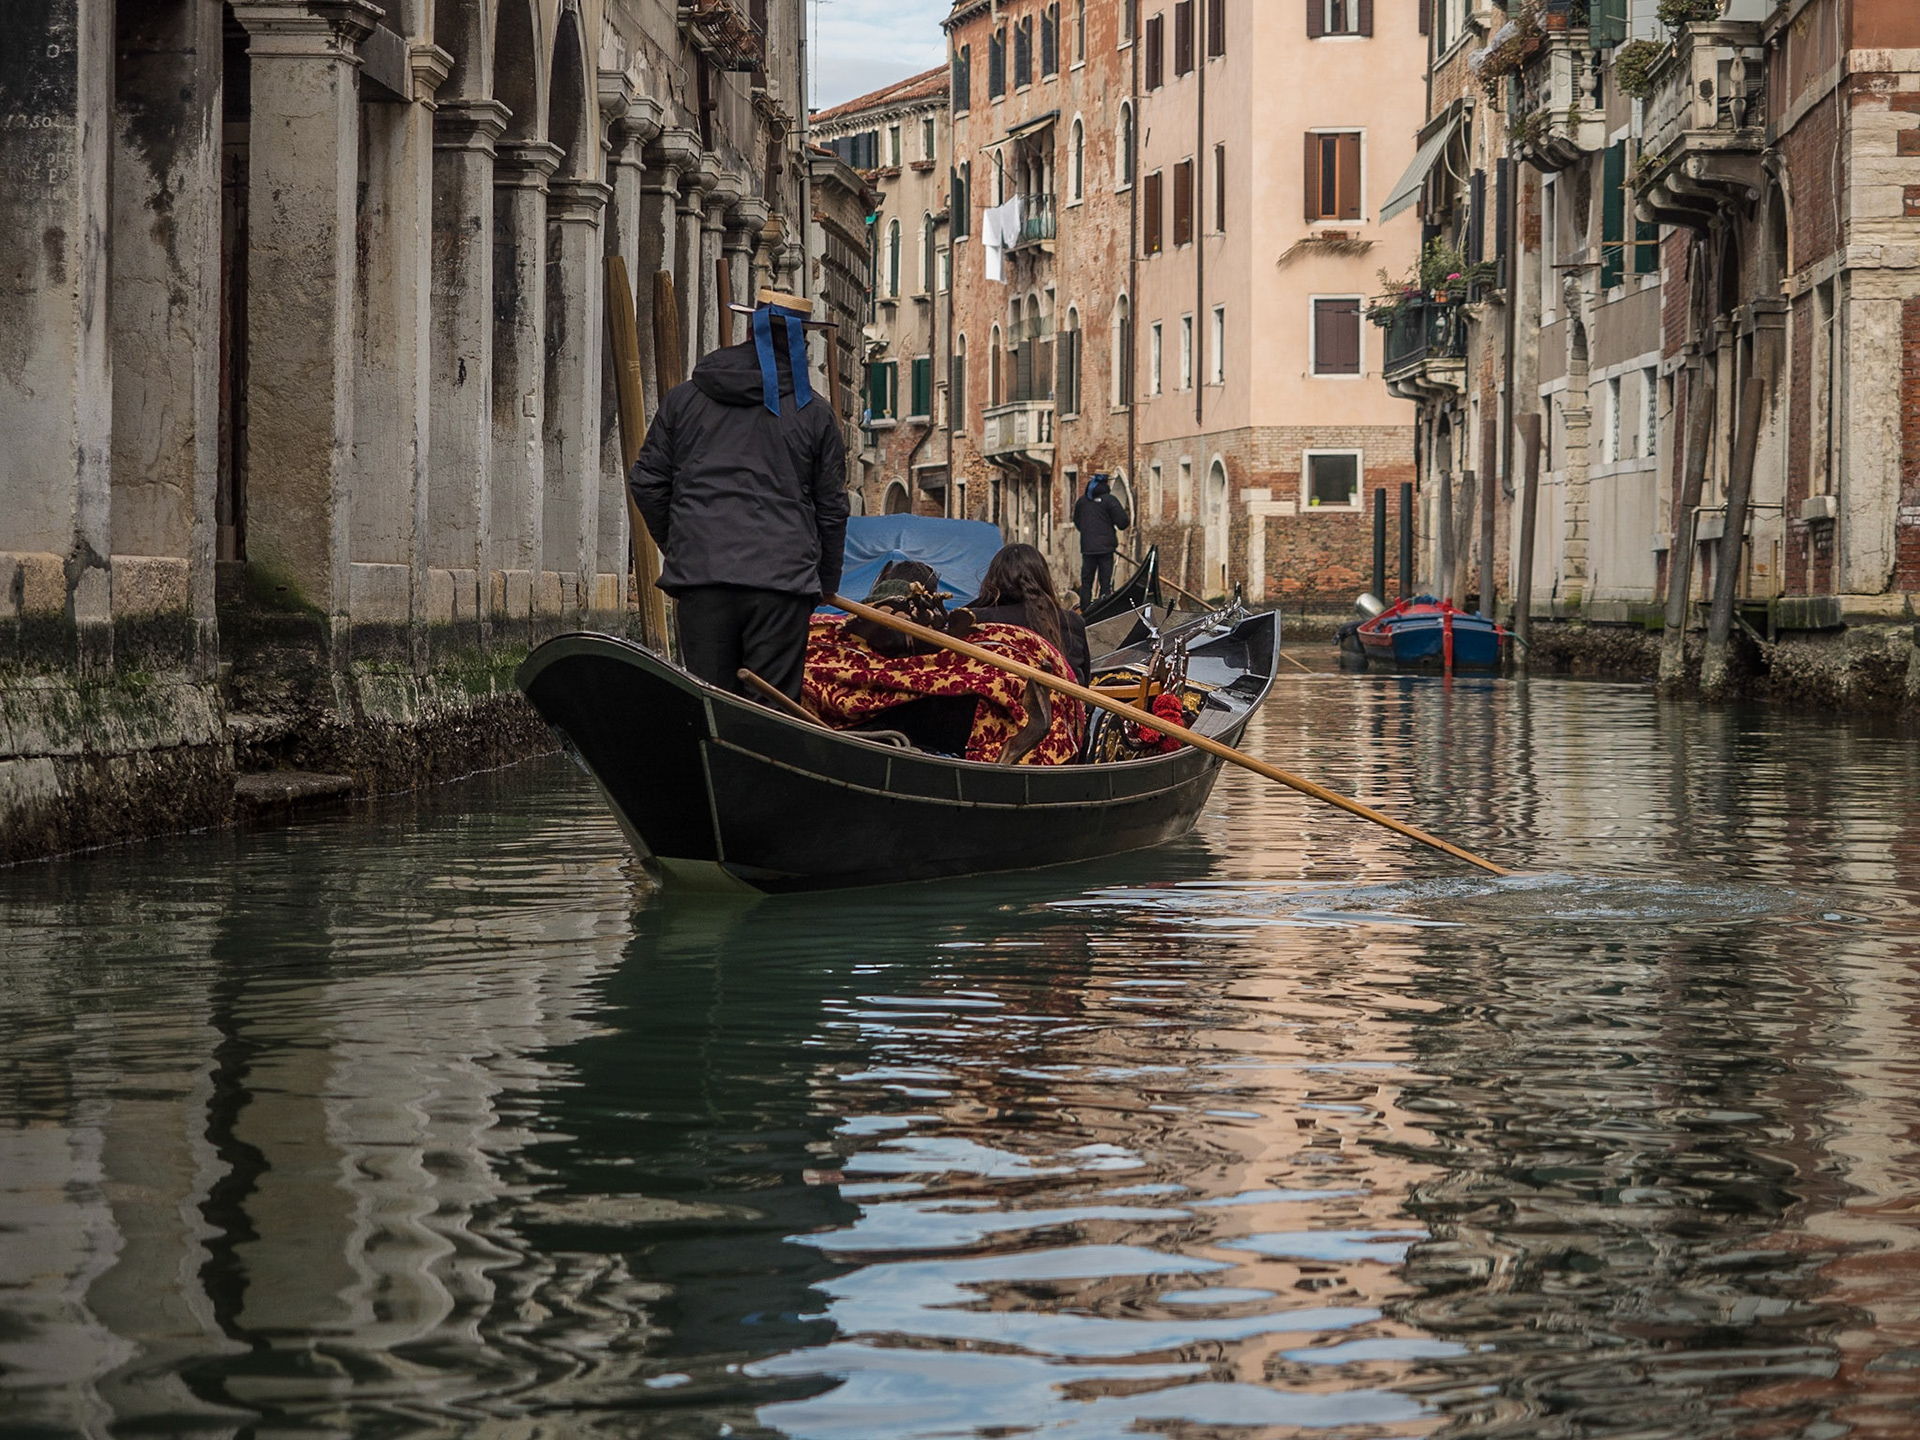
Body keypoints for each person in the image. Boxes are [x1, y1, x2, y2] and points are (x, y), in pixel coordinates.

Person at [631, 289, 848, 700]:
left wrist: (683, 544)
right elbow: (832, 507)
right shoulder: (815, 413)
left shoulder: (683, 399)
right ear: (800, 342)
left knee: (710, 700)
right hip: (782, 585)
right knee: (769, 707)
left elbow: (647, 482)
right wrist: (826, 581)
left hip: (703, 577)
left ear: (751, 331)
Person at [966, 543, 1092, 684]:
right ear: (1043, 579)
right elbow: (1084, 686)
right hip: (1065, 698)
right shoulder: (1072, 622)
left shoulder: (973, 619)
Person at [1071, 472, 1131, 605]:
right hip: (1106, 548)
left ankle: (1085, 607)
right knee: (1105, 581)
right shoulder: (1110, 500)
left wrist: (1089, 534)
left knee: (1087, 581)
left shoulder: (1082, 502)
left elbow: (1077, 522)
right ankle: (1104, 605)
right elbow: (1123, 523)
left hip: (1088, 548)